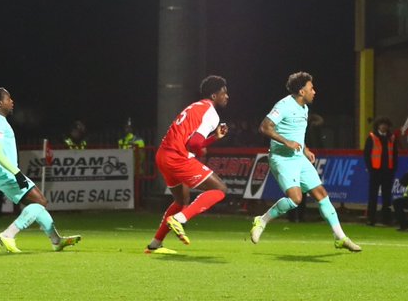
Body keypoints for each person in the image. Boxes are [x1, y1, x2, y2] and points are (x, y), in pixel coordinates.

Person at [248, 72, 362, 252]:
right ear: (302, 91)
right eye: (311, 88)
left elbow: (297, 133)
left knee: (321, 194)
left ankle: (340, 237)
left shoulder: (304, 108)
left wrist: (305, 148)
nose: (314, 92)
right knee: (295, 199)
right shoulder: (284, 105)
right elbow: (264, 127)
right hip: (282, 158)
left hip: (298, 157)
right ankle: (261, 220)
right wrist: (286, 142)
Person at [0, 88, 81, 253]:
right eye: (8, 99)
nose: (12, 101)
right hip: (4, 172)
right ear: (0, 103)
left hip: (1, 172)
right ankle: (8, 235)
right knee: (40, 202)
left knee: (37, 204)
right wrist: (17, 173)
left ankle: (56, 240)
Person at [145, 75, 232, 254]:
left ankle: (155, 244)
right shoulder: (211, 114)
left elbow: (191, 139)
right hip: (178, 157)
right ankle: (180, 219)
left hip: (163, 155)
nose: (227, 96)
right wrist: (201, 150)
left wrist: (213, 138)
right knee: (220, 190)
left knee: (181, 199)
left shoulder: (194, 106)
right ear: (214, 96)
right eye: (224, 93)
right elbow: (193, 144)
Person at [363, 116, 397, 226]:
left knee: (387, 196)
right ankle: (371, 219)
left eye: (385, 125)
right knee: (373, 195)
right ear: (378, 126)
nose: (384, 127)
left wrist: (393, 169)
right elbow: (367, 154)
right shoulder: (372, 137)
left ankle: (386, 219)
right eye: (382, 124)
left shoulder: (391, 138)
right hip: (376, 171)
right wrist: (370, 168)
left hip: (388, 171)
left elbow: (395, 154)